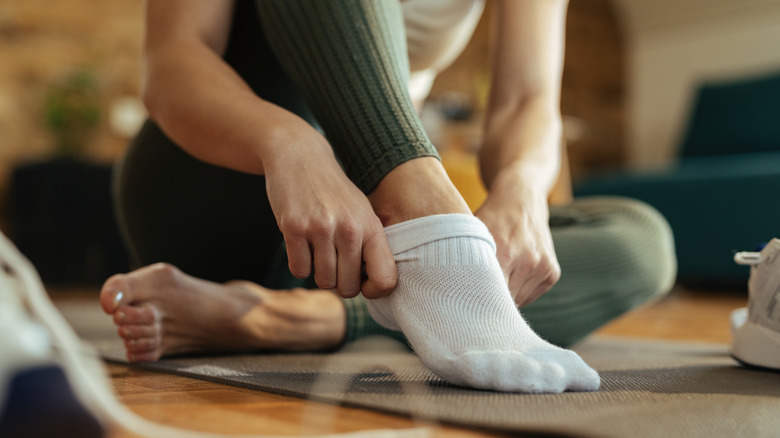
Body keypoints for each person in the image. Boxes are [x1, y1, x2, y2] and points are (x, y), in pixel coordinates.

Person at [99, 0, 676, 393]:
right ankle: (431, 225)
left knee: (641, 239)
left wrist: (521, 189)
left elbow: (527, 98)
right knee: (436, 236)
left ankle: (290, 319)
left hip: (370, 245)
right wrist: (292, 145)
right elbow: (172, 61)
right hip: (226, 182)